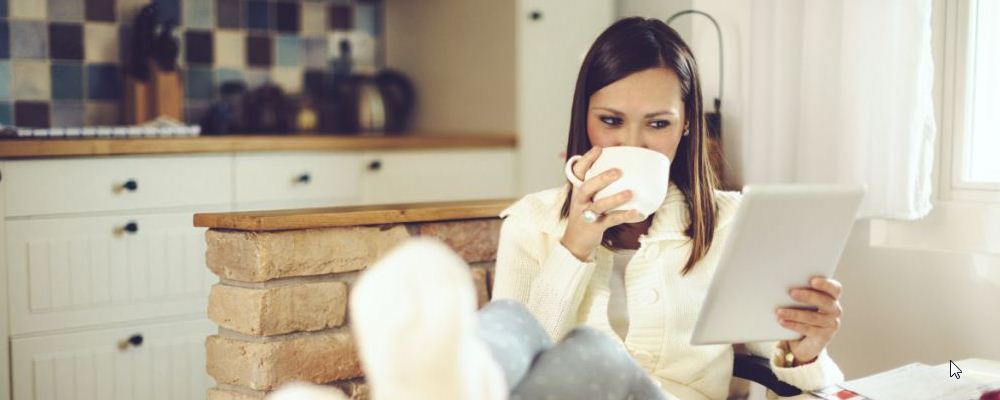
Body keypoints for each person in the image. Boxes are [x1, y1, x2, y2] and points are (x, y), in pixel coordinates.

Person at [490, 16, 845, 399]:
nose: (633, 143)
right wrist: (574, 247)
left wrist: (805, 353)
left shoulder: (730, 224)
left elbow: (785, 363)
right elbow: (508, 373)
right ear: (585, 118)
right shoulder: (530, 224)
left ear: (687, 123)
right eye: (610, 120)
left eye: (657, 124)